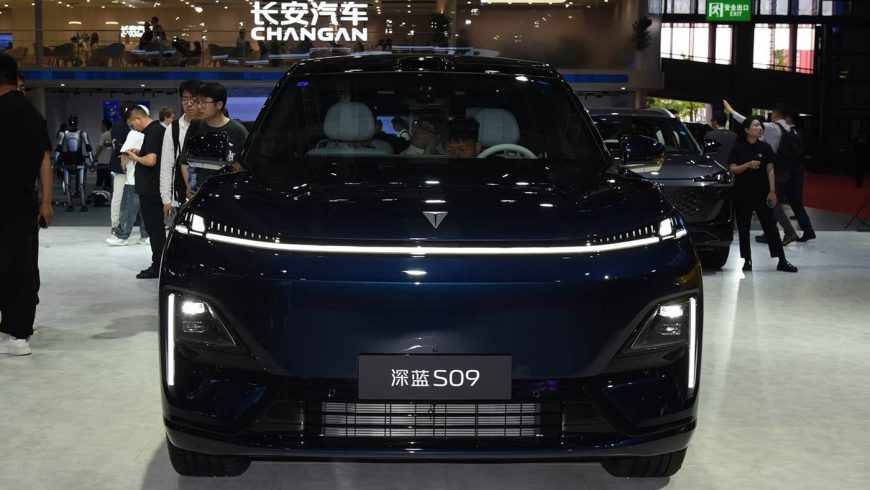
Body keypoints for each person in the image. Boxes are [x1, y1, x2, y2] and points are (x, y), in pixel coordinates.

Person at [0, 53, 54, 356]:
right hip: (24, 200)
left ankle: (11, 325)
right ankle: (19, 333)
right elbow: (45, 161)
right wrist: (45, 201)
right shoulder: (33, 115)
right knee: (23, 265)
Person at [724, 100, 802, 245]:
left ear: (776, 114)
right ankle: (770, 232)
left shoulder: (773, 127)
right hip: (786, 169)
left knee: (771, 202)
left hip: (774, 170)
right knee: (770, 202)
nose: (759, 127)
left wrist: (732, 111)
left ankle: (789, 232)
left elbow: (746, 122)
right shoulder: (789, 128)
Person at [728, 116, 798, 273]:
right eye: (756, 125)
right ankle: (747, 260)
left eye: (760, 126)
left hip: (762, 192)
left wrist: (772, 191)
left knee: (770, 227)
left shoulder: (765, 147)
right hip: (742, 192)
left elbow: (770, 169)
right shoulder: (738, 147)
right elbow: (732, 169)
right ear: (747, 130)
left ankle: (781, 260)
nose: (760, 128)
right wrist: (747, 165)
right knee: (744, 228)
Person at [181, 82, 249, 198]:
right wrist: (190, 186)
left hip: (227, 194)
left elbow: (246, 166)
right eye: (198, 102)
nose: (199, 107)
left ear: (219, 105)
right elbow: (185, 161)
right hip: (198, 193)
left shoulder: (238, 131)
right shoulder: (195, 127)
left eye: (204, 102)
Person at [124, 106, 167, 279]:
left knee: (154, 228)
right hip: (153, 186)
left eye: (132, 125)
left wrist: (134, 157)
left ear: (138, 119)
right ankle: (160, 264)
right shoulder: (157, 130)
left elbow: (151, 160)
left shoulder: (152, 131)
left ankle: (158, 266)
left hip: (151, 188)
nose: (134, 128)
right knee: (155, 227)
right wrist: (140, 152)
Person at [106, 108, 150, 247]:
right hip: (148, 177)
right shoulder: (152, 132)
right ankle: (146, 235)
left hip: (133, 177)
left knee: (128, 208)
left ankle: (122, 235)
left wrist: (124, 166)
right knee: (145, 208)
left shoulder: (133, 133)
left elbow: (125, 154)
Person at [160, 79, 202, 220]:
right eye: (184, 99)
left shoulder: (210, 125)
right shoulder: (174, 128)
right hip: (182, 191)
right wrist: (166, 199)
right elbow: (167, 165)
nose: (188, 104)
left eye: (193, 99)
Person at [55, 114, 96, 211]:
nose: (72, 122)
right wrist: (92, 161)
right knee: (68, 185)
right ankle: (72, 205)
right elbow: (59, 149)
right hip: (70, 160)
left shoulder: (81, 133)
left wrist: (92, 161)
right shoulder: (65, 134)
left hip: (78, 160)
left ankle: (82, 205)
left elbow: (88, 147)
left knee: (80, 185)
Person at [109, 101, 139, 234]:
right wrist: (132, 151)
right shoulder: (118, 126)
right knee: (119, 196)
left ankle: (130, 222)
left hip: (135, 165)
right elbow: (117, 146)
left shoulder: (135, 125)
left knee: (134, 196)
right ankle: (115, 224)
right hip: (121, 166)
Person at [94, 119, 113, 191]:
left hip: (102, 161)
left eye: (102, 125)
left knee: (100, 180)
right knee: (108, 180)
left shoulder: (104, 135)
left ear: (104, 126)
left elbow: (100, 147)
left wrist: (96, 156)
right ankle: (107, 192)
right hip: (108, 161)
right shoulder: (111, 134)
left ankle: (98, 193)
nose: (101, 127)